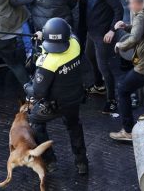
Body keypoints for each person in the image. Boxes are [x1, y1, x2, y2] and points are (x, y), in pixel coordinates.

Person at [25, 18, 89, 175]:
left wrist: (27, 88)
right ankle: (82, 163)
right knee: (74, 126)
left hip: (54, 105)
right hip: (74, 98)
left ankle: (50, 161)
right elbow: (69, 34)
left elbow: (39, 92)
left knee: (35, 122)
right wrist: (45, 37)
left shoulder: (48, 63)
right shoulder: (75, 44)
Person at [83, 0, 123, 114]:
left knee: (103, 66)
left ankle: (112, 100)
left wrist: (112, 30)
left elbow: (118, 9)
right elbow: (94, 3)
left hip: (101, 34)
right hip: (92, 31)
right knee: (89, 55)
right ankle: (99, 85)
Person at [109, 0, 144, 141]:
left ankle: (128, 131)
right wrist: (127, 27)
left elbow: (136, 37)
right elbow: (139, 31)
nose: (129, 6)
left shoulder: (140, 16)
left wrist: (120, 46)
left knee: (123, 89)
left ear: (139, 3)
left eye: (131, 3)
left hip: (143, 65)